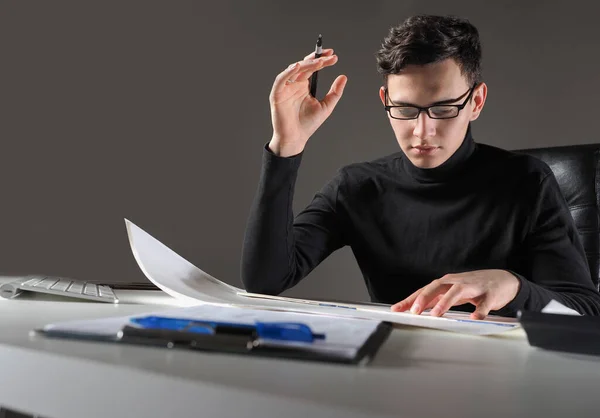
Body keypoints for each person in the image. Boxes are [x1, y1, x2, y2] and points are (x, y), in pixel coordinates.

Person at [241, 14, 600, 319]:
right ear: (385, 100)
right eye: (405, 109)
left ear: (476, 101)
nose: (421, 131)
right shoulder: (356, 187)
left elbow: (585, 309)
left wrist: (512, 286)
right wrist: (286, 146)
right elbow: (266, 280)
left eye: (443, 109)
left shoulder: (528, 182)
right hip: (392, 375)